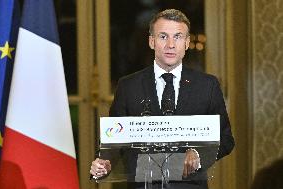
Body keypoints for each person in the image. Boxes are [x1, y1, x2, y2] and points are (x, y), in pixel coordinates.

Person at [90, 9, 235, 189]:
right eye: (163, 36)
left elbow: (226, 139)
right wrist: (104, 161)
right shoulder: (128, 86)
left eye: (178, 37)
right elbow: (114, 139)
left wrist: (198, 155)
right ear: (152, 42)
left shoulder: (207, 85)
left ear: (187, 42)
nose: (171, 44)